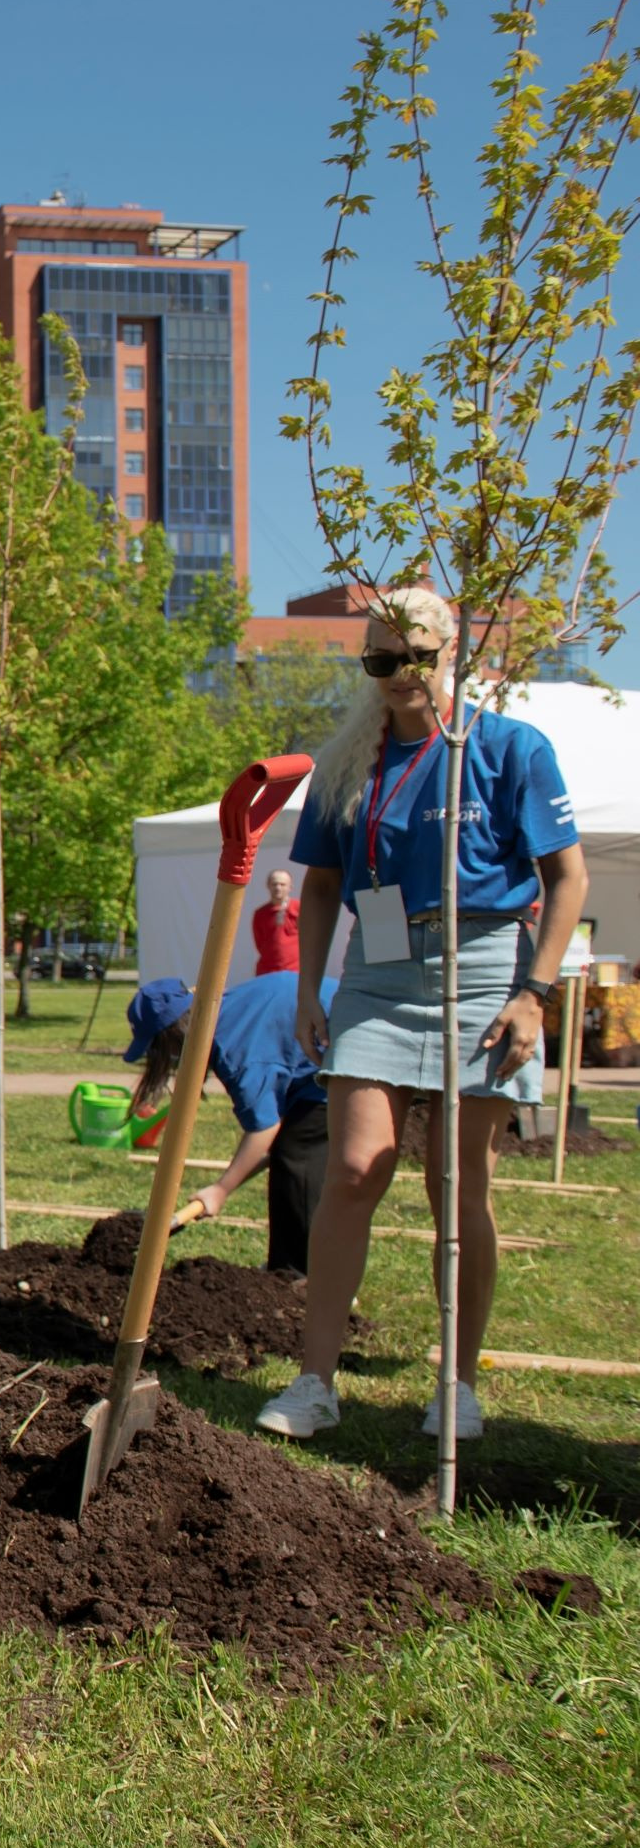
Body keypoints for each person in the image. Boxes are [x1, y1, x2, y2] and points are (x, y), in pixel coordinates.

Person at [255, 588, 587, 1443]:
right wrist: (306, 991)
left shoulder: (509, 748)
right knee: (356, 1166)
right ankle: (314, 1379)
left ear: (452, 655)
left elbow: (566, 879)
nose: (398, 675)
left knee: (456, 1181)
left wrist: (533, 993)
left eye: (414, 657)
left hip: (486, 970)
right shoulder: (346, 766)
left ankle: (456, 1383)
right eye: (379, 660)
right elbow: (323, 887)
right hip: (379, 969)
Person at [123, 969, 338, 1278]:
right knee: (288, 1153)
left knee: (298, 1156)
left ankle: (307, 1278)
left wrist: (222, 1189)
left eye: (163, 1050)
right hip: (312, 1056)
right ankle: (288, 1268)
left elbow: (264, 1128)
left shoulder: (237, 1051)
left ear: (175, 1036)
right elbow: (268, 1137)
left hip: (341, 1052)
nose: (168, 1060)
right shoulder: (221, 1016)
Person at [253, 868, 302, 977]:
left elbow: (309, 938)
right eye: (274, 884)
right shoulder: (260, 913)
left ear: (290, 887)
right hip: (268, 972)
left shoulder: (300, 908)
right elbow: (259, 943)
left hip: (296, 972)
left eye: (282, 884)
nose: (278, 888)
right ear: (268, 886)